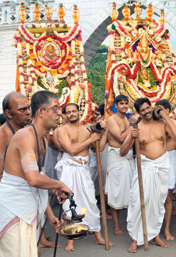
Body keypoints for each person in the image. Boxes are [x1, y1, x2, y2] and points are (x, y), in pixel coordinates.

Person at [0, 91, 71, 257]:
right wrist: (59, 184)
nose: (60, 113)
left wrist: (50, 215)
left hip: (28, 209)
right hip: (13, 211)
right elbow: (32, 179)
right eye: (55, 108)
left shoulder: (43, 139)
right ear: (41, 112)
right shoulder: (25, 136)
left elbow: (38, 180)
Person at [122, 98, 176, 253]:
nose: (147, 112)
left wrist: (166, 117)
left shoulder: (162, 123)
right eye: (143, 110)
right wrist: (131, 137)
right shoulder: (136, 127)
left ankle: (154, 235)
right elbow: (122, 152)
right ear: (138, 112)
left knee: (157, 203)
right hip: (145, 167)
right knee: (138, 202)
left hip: (162, 167)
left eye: (148, 108)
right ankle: (135, 239)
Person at [54, 103, 111, 251]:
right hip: (69, 169)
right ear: (65, 115)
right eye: (69, 112)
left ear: (79, 112)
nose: (72, 114)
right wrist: (92, 139)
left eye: (74, 111)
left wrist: (103, 132)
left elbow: (99, 148)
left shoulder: (87, 130)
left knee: (91, 201)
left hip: (83, 169)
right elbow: (71, 149)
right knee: (68, 203)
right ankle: (70, 240)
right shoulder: (62, 130)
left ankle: (98, 236)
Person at [0, 92, 31, 202]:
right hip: (11, 195)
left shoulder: (27, 130)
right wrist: (25, 189)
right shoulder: (0, 135)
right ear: (9, 113)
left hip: (29, 191)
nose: (29, 112)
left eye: (28, 108)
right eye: (23, 110)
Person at [104, 95, 134, 236]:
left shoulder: (127, 120)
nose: (124, 106)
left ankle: (130, 223)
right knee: (115, 192)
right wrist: (133, 126)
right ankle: (116, 226)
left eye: (126, 103)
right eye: (121, 103)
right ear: (116, 105)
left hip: (128, 157)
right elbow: (121, 138)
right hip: (116, 157)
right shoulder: (112, 120)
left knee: (130, 191)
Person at [155, 99, 176, 242]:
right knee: (154, 195)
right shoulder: (152, 123)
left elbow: (175, 140)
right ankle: (155, 230)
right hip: (153, 159)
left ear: (166, 110)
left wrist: (167, 118)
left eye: (160, 109)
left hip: (168, 159)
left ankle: (166, 229)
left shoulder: (174, 123)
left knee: (168, 196)